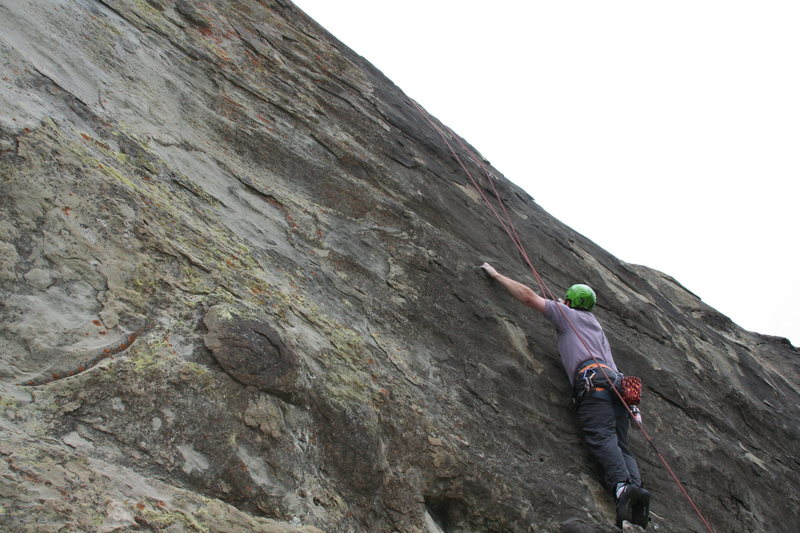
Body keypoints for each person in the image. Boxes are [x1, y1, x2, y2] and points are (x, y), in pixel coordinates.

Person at [480, 262, 650, 529]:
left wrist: (498, 275)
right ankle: (637, 492)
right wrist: (634, 407)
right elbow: (613, 365)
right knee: (621, 442)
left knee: (602, 436)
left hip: (593, 384)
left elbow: (528, 296)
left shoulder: (565, 313)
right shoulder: (595, 326)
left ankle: (622, 489)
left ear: (570, 300)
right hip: (617, 385)